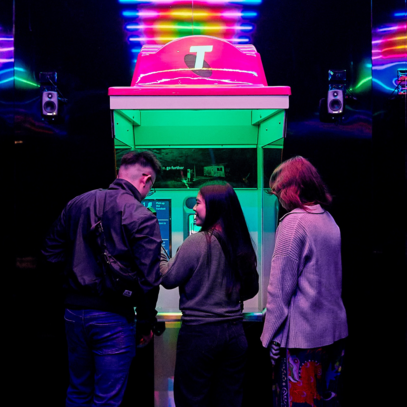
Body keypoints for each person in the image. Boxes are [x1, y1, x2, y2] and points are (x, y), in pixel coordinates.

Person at [43, 150, 164, 407]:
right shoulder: (142, 216)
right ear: (146, 179)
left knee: (77, 391)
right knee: (107, 400)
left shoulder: (77, 203)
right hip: (113, 316)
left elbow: (50, 252)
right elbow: (149, 278)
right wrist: (145, 323)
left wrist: (74, 278)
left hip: (73, 314)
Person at [159, 181, 259, 407]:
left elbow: (168, 278)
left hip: (200, 336)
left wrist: (158, 249)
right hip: (235, 335)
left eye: (198, 203)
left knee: (192, 400)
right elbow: (251, 289)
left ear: (214, 206)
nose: (194, 208)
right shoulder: (240, 242)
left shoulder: (197, 241)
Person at [261, 156, 348, 407]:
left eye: (278, 191)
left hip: (302, 341)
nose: (278, 198)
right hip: (334, 334)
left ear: (293, 189)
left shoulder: (294, 223)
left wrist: (270, 338)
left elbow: (280, 290)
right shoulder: (328, 219)